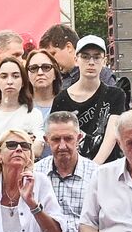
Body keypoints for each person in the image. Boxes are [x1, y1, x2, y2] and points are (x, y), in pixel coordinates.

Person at [52, 36, 127, 164]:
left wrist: (93, 167)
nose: (91, 62)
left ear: (104, 61)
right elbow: (57, 137)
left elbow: (112, 134)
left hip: (107, 168)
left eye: (97, 57)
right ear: (76, 60)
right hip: (73, 169)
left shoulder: (116, 95)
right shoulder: (61, 99)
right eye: (85, 57)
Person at [34, 110, 95, 232]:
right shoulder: (35, 173)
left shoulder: (96, 174)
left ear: (79, 138)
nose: (62, 146)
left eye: (68, 139)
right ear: (46, 140)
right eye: (55, 139)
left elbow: (102, 224)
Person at [0, 57, 44, 166]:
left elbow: (37, 150)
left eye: (15, 76)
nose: (10, 81)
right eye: (4, 76)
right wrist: (23, 145)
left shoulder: (33, 113)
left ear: (23, 82)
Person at [39, 23, 119, 91]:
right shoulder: (54, 78)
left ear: (69, 47)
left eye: (52, 54)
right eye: (86, 57)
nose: (50, 60)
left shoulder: (100, 74)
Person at [25, 48, 60, 126]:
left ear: (55, 74)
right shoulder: (21, 106)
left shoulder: (66, 104)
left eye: (46, 67)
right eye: (33, 68)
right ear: (27, 75)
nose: (40, 73)